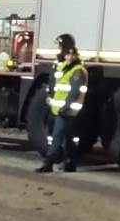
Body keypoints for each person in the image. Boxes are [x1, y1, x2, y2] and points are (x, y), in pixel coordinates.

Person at [37, 33, 88, 173]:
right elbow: (55, 83)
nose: (59, 49)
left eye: (60, 45)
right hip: (57, 107)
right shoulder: (62, 65)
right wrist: (50, 96)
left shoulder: (76, 70)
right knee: (68, 136)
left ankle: (48, 163)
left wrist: (65, 107)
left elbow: (73, 92)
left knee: (57, 136)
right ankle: (71, 162)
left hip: (65, 110)